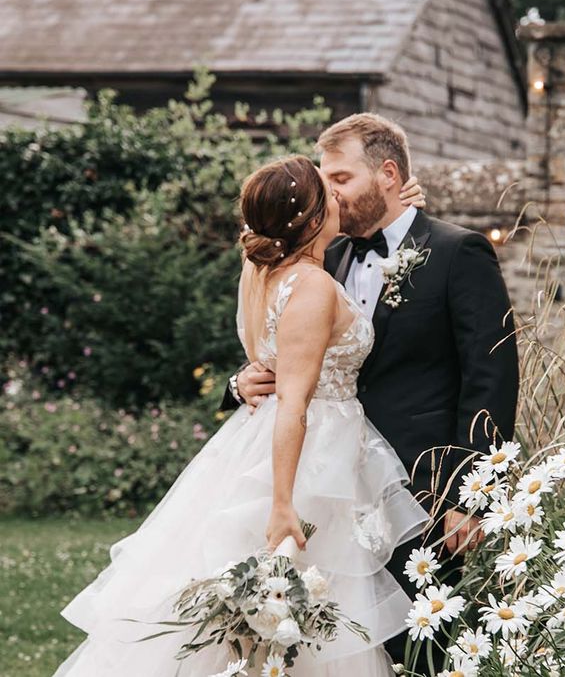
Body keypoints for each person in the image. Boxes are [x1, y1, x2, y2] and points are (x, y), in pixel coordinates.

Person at [53, 155, 430, 677]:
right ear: (313, 219)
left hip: (276, 437)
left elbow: (268, 367)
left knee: (292, 608)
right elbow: (294, 400)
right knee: (304, 600)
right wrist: (281, 504)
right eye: (330, 192)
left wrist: (402, 201)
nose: (340, 199)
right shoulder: (313, 285)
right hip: (309, 451)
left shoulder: (270, 274)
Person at [220, 113, 519, 671]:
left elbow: (492, 379)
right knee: (332, 642)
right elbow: (281, 345)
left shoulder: (459, 253)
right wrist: (238, 382)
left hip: (419, 491)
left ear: (387, 174)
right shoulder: (318, 255)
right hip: (327, 488)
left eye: (339, 178)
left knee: (432, 649)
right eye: (323, 179)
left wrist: (471, 498)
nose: (325, 192)